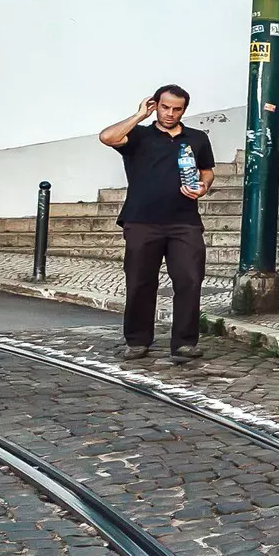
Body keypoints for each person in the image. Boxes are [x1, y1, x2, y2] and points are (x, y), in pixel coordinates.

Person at [98, 86, 215, 362]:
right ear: (156, 105)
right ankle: (137, 341)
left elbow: (207, 171)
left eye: (177, 109)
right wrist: (139, 115)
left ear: (184, 110)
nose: (170, 114)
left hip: (184, 222)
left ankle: (185, 342)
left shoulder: (196, 139)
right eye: (165, 107)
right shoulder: (138, 136)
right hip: (142, 221)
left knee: (189, 279)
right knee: (140, 281)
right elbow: (106, 137)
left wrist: (203, 187)